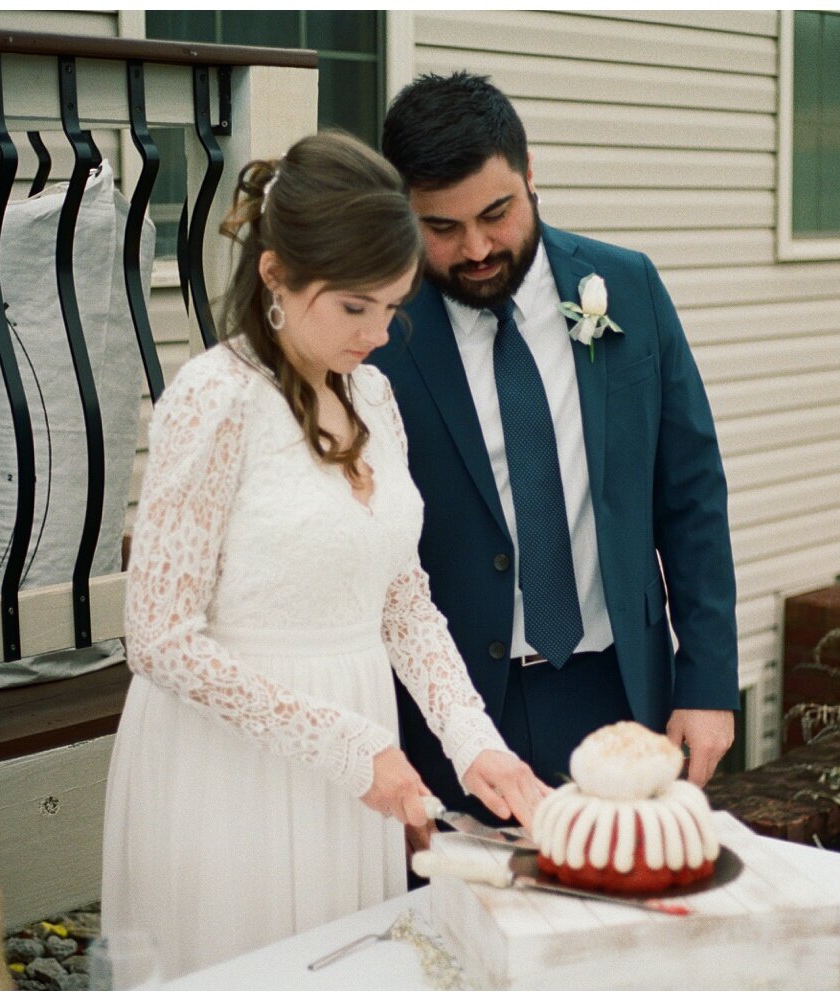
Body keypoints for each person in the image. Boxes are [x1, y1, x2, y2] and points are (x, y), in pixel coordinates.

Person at [100, 131, 546, 986]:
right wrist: (348, 746)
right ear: (275, 275)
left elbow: (402, 600)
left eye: (393, 306)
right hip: (232, 772)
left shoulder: (372, 395)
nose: (378, 333)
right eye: (354, 308)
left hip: (357, 761)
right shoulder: (215, 398)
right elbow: (155, 636)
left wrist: (472, 742)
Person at [371, 72, 740, 829]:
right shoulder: (380, 332)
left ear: (531, 172)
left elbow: (692, 494)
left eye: (495, 214)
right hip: (454, 710)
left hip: (618, 691)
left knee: (629, 912)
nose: (474, 248)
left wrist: (707, 681)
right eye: (440, 227)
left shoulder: (628, 287)